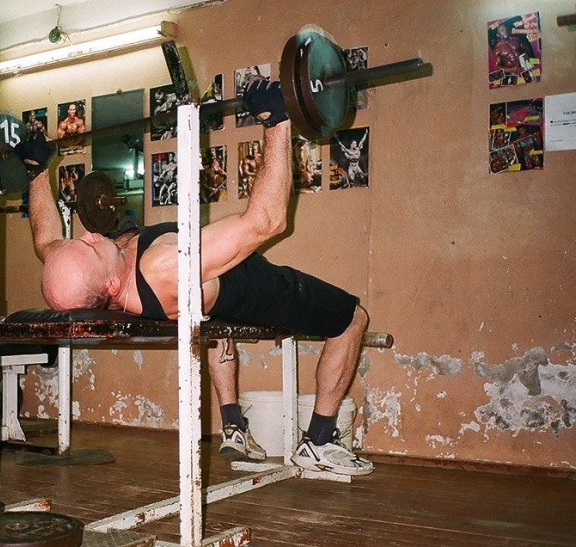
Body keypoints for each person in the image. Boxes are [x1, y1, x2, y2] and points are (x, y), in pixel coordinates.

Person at [26, 79, 373, 476]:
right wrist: (276, 120)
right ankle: (320, 441)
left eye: (79, 240)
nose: (87, 236)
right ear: (110, 287)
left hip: (213, 296)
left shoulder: (87, 269)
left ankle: (234, 427)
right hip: (261, 290)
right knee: (352, 318)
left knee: (213, 325)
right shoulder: (165, 268)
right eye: (88, 247)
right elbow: (267, 221)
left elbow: (45, 241)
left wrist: (36, 170)